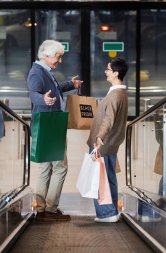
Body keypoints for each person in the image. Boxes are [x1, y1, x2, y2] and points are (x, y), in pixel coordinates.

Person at [27, 39, 83, 221]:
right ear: (45, 56)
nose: (59, 61)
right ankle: (51, 209)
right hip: (49, 124)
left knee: (45, 167)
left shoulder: (44, 71)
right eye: (57, 57)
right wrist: (44, 100)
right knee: (60, 167)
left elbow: (55, 88)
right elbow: (34, 94)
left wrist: (70, 85)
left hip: (47, 123)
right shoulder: (37, 73)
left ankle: (42, 208)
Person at [86, 57, 128, 223]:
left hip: (104, 143)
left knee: (100, 179)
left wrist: (99, 137)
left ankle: (106, 213)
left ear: (116, 73)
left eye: (108, 69)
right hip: (111, 143)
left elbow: (109, 119)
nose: (106, 71)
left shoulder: (115, 95)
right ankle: (111, 211)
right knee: (109, 177)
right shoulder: (119, 93)